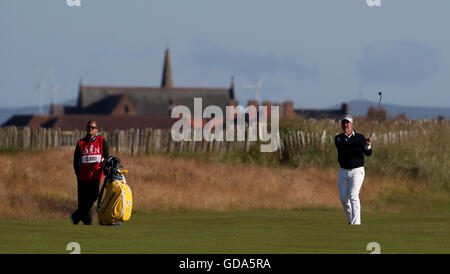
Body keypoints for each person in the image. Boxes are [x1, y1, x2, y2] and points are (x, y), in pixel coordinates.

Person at [334, 115, 372, 225]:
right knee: (344, 199)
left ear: (352, 124)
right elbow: (346, 147)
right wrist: (362, 143)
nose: (345, 125)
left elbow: (368, 153)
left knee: (353, 196)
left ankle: (356, 224)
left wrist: (367, 145)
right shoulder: (338, 138)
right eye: (344, 123)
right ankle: (352, 220)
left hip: (357, 171)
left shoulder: (360, 138)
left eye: (348, 123)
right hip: (343, 171)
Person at [70, 121, 109, 225]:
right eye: (89, 127)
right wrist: (77, 172)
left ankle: (76, 216)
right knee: (83, 202)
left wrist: (105, 169)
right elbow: (76, 160)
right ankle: (87, 221)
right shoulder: (80, 143)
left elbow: (106, 157)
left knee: (93, 197)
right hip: (82, 177)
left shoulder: (101, 141)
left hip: (96, 176)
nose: (91, 129)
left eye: (93, 127)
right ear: (86, 129)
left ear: (97, 130)